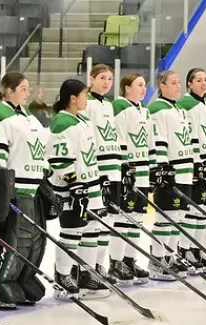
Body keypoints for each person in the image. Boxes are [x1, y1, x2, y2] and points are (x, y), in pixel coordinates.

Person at [0, 72, 50, 309]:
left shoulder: (28, 117)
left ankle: (21, 278)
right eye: (23, 88)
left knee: (33, 242)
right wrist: (1, 191)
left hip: (32, 190)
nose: (28, 92)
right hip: (14, 189)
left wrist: (45, 182)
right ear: (8, 90)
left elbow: (40, 153)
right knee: (11, 240)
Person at [47, 79, 108, 299]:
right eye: (84, 95)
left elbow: (88, 156)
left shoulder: (82, 121)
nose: (87, 99)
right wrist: (73, 183)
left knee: (92, 231)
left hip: (90, 186)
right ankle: (62, 275)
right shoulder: (62, 122)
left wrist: (99, 178)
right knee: (72, 232)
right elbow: (59, 159)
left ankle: (86, 275)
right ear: (72, 98)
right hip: (73, 189)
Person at [146, 70, 195, 281]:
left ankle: (170, 256)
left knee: (179, 218)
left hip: (186, 171)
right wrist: (162, 166)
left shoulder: (181, 109)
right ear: (162, 86)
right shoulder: (157, 109)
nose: (178, 86)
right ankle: (157, 259)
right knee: (166, 218)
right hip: (171, 170)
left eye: (178, 83)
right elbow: (159, 140)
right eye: (173, 83)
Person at [82, 64, 128, 285]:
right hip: (98, 169)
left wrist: (123, 165)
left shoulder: (108, 105)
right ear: (91, 78)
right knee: (93, 222)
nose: (107, 82)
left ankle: (100, 266)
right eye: (102, 78)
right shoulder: (87, 103)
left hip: (113, 168)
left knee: (108, 221)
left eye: (110, 78)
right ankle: (84, 268)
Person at [110, 73, 152, 284]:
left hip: (143, 173)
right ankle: (115, 262)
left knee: (137, 219)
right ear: (127, 88)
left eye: (145, 85)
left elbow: (149, 142)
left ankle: (129, 259)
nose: (144, 89)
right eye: (139, 85)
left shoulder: (144, 110)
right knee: (122, 219)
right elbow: (118, 138)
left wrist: (153, 168)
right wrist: (125, 166)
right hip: (129, 171)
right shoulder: (120, 107)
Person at [176, 68, 206, 275]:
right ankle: (184, 249)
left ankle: (197, 248)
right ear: (189, 84)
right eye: (199, 80)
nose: (204, 83)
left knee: (203, 209)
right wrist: (195, 161)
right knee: (191, 210)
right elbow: (186, 136)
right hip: (193, 164)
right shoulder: (184, 104)